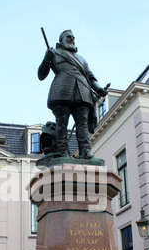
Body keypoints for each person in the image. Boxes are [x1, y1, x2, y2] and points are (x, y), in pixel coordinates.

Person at [38, 29, 108, 159]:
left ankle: (86, 152)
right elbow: (41, 75)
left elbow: (91, 77)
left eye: (73, 37)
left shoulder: (81, 59)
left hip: (82, 91)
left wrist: (99, 89)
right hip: (62, 91)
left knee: (83, 124)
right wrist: (47, 59)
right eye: (69, 37)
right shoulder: (54, 53)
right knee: (61, 123)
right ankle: (63, 152)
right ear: (61, 40)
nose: (72, 39)